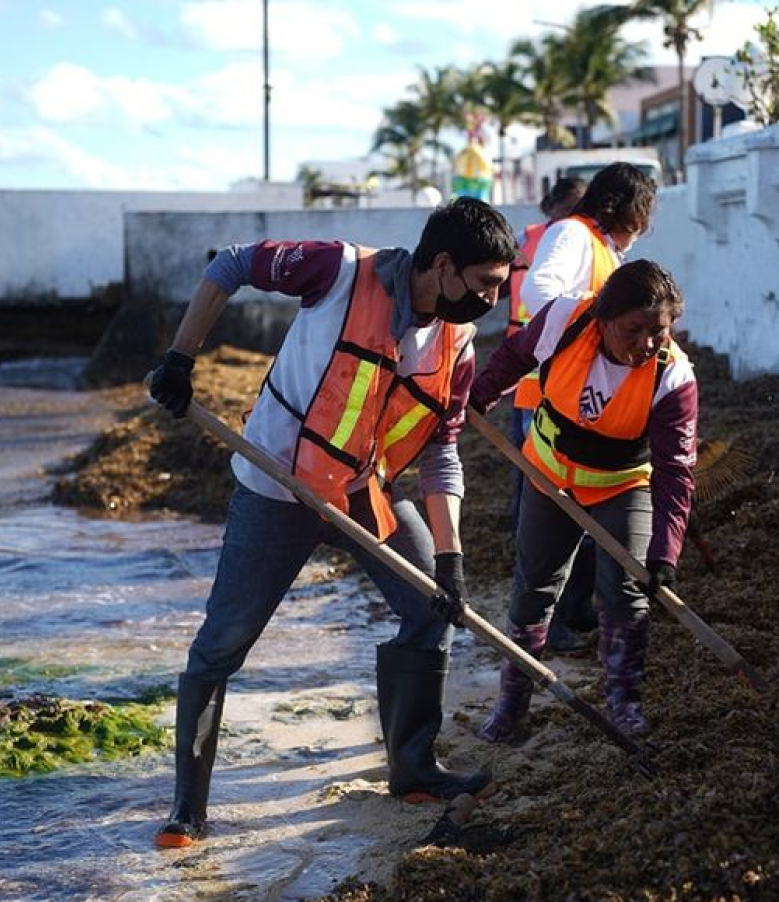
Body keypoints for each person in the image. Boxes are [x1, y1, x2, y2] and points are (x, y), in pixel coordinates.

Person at [145, 198, 520, 847]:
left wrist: (451, 560)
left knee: (431, 606)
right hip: (278, 487)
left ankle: (414, 767)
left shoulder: (457, 342)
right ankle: (188, 808)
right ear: (443, 264)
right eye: (486, 283)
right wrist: (181, 357)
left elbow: (440, 451)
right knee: (222, 642)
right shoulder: (338, 270)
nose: (492, 299)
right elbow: (232, 264)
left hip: (360, 491)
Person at [469, 259, 698, 739]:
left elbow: (676, 470)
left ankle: (625, 706)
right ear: (604, 317)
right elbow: (513, 358)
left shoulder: (673, 377)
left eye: (659, 330)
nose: (647, 343)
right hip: (548, 477)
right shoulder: (566, 320)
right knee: (533, 591)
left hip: (622, 484)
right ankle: (513, 706)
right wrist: (476, 399)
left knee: (627, 592)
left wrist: (665, 553)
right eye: (634, 330)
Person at [512, 162, 659, 654]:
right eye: (645, 212)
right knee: (550, 517)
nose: (645, 227)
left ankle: (574, 611)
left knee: (586, 514)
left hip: (590, 406)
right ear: (626, 207)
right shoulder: (572, 236)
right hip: (552, 400)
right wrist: (588, 331)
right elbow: (539, 292)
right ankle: (544, 627)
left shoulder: (604, 250)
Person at [504, 176, 588, 523]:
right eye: (566, 207)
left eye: (577, 208)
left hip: (563, 362)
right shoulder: (525, 240)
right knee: (527, 450)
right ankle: (524, 522)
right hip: (523, 356)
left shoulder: (586, 244)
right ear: (550, 206)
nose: (571, 215)